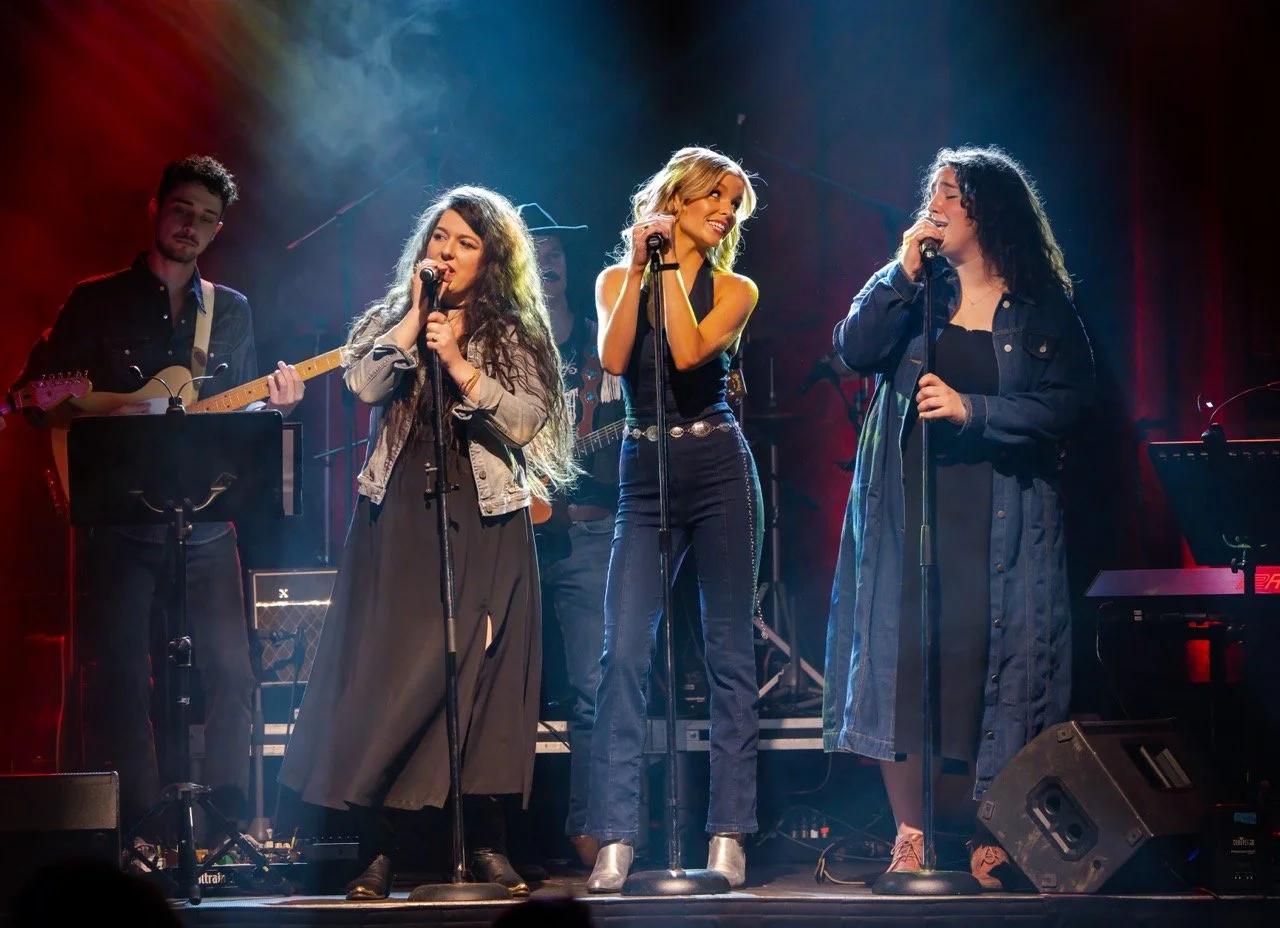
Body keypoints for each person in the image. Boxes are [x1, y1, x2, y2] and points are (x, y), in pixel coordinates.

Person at [278, 185, 576, 899]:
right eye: (441, 236)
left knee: (482, 676)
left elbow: (530, 420)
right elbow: (367, 382)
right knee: (392, 678)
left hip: (486, 515)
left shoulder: (516, 332)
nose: (447, 250)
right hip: (400, 513)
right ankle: (382, 848)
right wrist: (416, 320)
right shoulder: (397, 318)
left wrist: (463, 365)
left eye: (466, 242)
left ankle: (486, 840)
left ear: (493, 260)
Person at [821, 145, 1094, 890]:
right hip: (909, 508)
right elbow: (854, 348)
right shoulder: (916, 291)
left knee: (997, 667)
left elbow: (1070, 405)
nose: (935, 205)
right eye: (933, 191)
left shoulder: (1041, 306)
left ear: (990, 210)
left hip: (1003, 515)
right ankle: (909, 835)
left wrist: (976, 410)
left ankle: (993, 828)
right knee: (903, 661)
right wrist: (902, 268)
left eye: (953, 194)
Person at [12, 155, 305, 835]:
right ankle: (140, 832)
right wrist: (98, 414)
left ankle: (229, 828)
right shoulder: (95, 300)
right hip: (117, 519)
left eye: (207, 218)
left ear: (219, 228)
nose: (191, 227)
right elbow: (33, 396)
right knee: (119, 677)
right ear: (156, 208)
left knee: (234, 673)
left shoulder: (231, 310)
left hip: (205, 522)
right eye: (181, 210)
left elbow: (235, 425)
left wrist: (273, 410)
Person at [586, 146, 764, 892]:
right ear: (676, 200)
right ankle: (617, 839)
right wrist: (641, 265)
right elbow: (615, 357)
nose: (724, 213)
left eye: (732, 205)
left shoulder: (736, 288)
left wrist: (663, 270)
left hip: (717, 463)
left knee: (728, 655)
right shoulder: (614, 279)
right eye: (712, 199)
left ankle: (729, 834)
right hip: (642, 469)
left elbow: (690, 353)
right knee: (624, 652)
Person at [519, 206, 625, 871]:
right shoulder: (503, 348)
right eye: (534, 249)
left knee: (594, 686)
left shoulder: (601, 344)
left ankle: (592, 826)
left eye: (554, 248)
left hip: (588, 532)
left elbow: (622, 435)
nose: (548, 258)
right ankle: (487, 836)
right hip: (509, 535)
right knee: (492, 689)